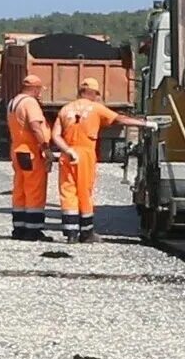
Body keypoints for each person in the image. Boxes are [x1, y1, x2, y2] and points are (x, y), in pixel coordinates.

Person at [50, 77, 157, 243]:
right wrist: (144, 123)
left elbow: (55, 135)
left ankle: (70, 234)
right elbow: (119, 119)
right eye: (96, 94)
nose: (96, 97)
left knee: (68, 192)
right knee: (85, 192)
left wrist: (67, 150)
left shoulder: (65, 109)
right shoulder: (96, 108)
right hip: (85, 153)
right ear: (92, 92)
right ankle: (86, 233)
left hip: (68, 153)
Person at [6, 75, 53, 241]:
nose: (40, 93)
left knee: (20, 189)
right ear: (35, 88)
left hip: (17, 150)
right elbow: (35, 126)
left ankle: (18, 228)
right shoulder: (30, 103)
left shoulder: (13, 102)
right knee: (34, 190)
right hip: (30, 151)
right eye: (39, 90)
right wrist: (46, 149)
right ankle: (33, 231)